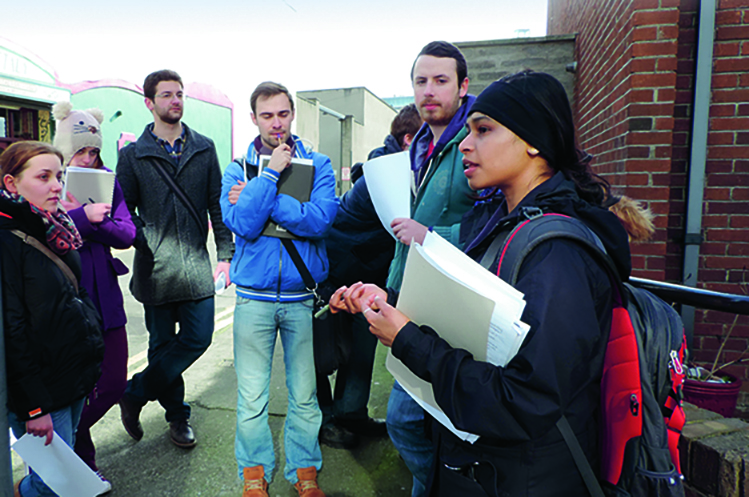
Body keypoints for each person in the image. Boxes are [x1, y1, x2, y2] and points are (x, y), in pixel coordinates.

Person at [331, 71, 632, 496]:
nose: (466, 144)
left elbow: (525, 402)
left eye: (484, 130)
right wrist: (390, 301)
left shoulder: (558, 254)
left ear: (533, 141)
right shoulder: (502, 224)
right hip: (488, 470)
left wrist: (407, 339)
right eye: (468, 129)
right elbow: (467, 317)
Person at [221, 82, 338, 497]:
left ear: (292, 115)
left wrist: (263, 196)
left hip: (300, 296)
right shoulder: (238, 168)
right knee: (252, 397)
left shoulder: (319, 165)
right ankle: (255, 475)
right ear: (254, 118)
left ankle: (304, 472)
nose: (276, 123)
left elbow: (321, 220)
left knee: (305, 395)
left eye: (283, 114)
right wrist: (270, 175)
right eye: (267, 115)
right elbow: (243, 225)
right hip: (253, 298)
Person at [116, 69, 234, 448]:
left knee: (199, 338)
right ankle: (177, 417)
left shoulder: (204, 147)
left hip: (197, 267)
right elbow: (124, 211)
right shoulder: (133, 156)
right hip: (155, 269)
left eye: (179, 94)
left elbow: (217, 206)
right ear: (150, 103)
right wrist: (145, 236)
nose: (175, 101)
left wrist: (226, 254)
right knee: (162, 345)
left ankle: (134, 392)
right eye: (166, 95)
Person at [382, 40, 477, 497]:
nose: (429, 91)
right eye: (421, 81)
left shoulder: (479, 137)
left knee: (407, 420)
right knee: (411, 420)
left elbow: (496, 222)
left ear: (463, 86)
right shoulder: (418, 142)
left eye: (441, 81)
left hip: (458, 301)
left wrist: (431, 236)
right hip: (413, 294)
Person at [1, 141, 105, 497]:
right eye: (43, 176)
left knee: (62, 473)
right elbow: (12, 332)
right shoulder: (7, 240)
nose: (57, 185)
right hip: (43, 390)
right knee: (51, 485)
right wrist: (34, 406)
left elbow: (75, 293)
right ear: (11, 183)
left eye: (58, 176)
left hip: (71, 373)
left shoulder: (54, 226)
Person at [317, 103, 423, 450]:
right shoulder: (386, 176)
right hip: (337, 275)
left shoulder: (403, 169)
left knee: (361, 351)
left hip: (367, 277)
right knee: (323, 356)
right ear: (409, 139)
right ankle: (326, 420)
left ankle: (351, 415)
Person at [51, 102, 136, 490]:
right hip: (67, 299)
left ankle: (58, 449)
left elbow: (127, 234)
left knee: (114, 383)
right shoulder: (49, 183)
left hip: (106, 298)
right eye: (80, 151)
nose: (88, 158)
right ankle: (81, 467)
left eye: (93, 151)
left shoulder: (108, 179)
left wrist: (92, 221)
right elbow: (47, 233)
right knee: (76, 389)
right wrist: (88, 218)